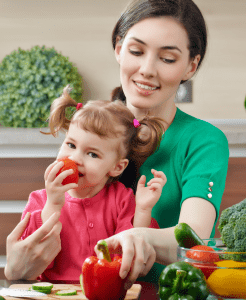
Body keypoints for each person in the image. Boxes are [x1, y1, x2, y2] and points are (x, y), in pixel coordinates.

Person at [5, 0, 229, 289]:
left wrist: (136, 236)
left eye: (168, 59)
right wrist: (17, 266)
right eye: (136, 51)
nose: (147, 69)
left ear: (191, 66)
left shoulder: (203, 141)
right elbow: (49, 243)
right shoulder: (89, 127)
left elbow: (193, 242)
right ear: (118, 48)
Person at [5, 86, 167, 281]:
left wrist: (142, 209)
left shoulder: (121, 199)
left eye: (92, 154)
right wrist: (53, 203)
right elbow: (32, 261)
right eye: (71, 145)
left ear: (117, 167)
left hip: (107, 291)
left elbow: (131, 258)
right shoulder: (40, 200)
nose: (75, 158)